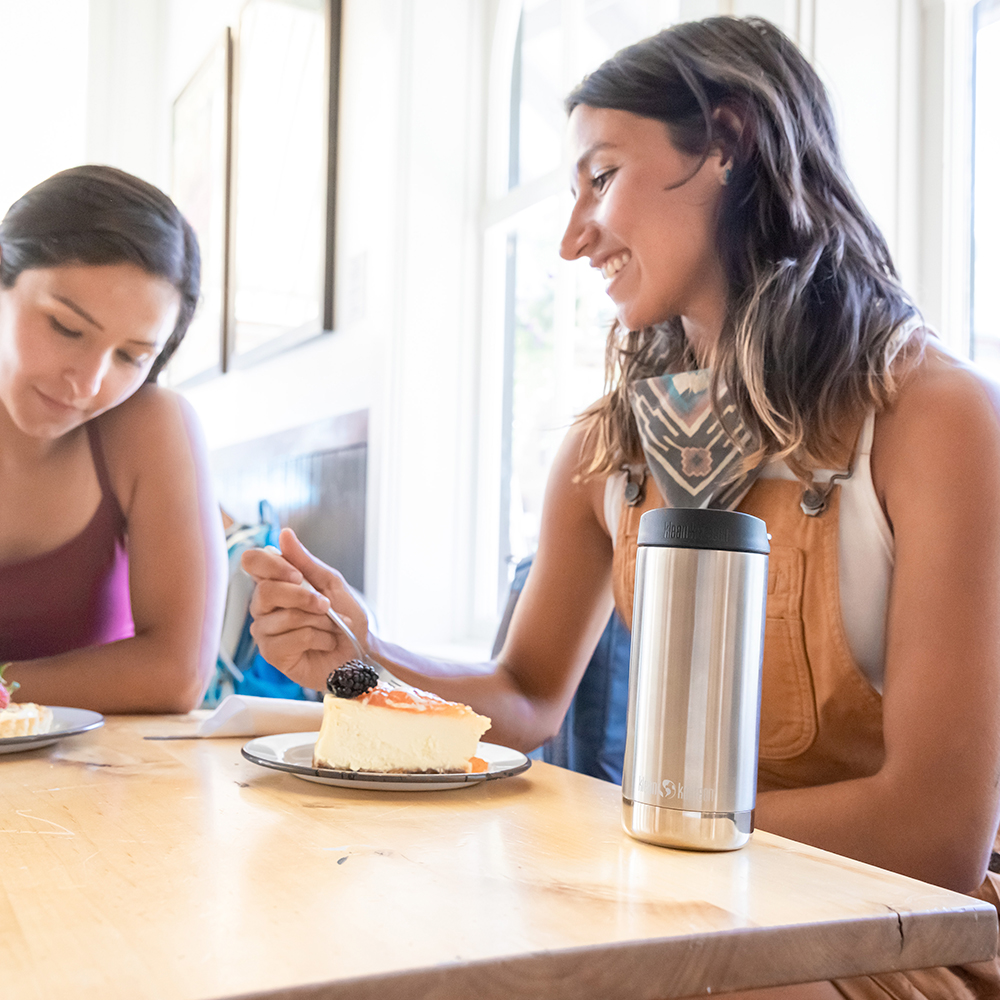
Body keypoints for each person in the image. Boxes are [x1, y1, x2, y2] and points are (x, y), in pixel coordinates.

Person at [242, 17, 1000, 996]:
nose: (569, 240)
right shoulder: (606, 445)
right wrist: (363, 651)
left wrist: (615, 829)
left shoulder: (933, 417)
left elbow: (930, 838)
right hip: (666, 902)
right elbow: (522, 699)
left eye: (600, 178)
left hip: (886, 938)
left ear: (728, 141)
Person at [0, 165, 227, 713]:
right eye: (66, 327)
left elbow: (176, 675)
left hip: (89, 785)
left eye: (131, 357)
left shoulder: (150, 427)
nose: (90, 382)